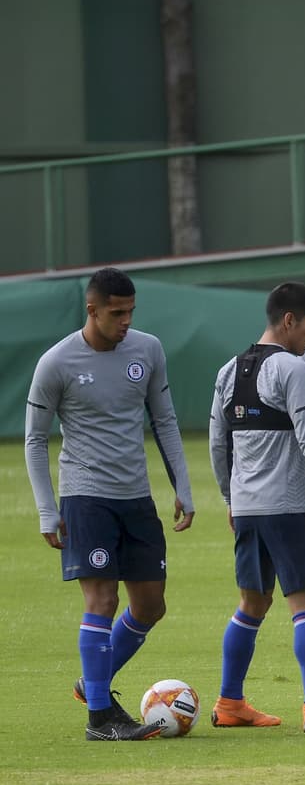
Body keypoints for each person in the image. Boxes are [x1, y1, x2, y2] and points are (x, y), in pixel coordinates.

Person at [25, 267, 196, 741]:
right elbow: (35, 440)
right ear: (92, 310)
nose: (125, 322)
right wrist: (47, 508)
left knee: (151, 605)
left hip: (136, 497)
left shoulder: (148, 350)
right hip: (85, 497)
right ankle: (99, 716)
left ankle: (92, 680)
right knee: (102, 599)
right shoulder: (56, 363)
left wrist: (181, 484)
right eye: (116, 313)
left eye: (130, 312)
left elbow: (164, 420)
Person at [208, 281, 305, 733]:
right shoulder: (293, 369)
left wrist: (229, 498)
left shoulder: (227, 371)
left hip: (249, 508)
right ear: (289, 321)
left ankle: (230, 701)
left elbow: (219, 446)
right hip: (291, 507)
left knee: (251, 604)